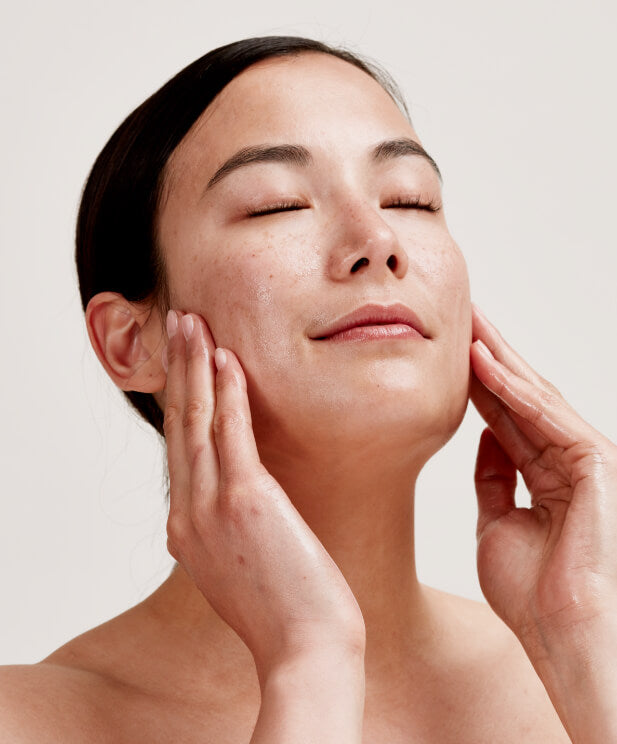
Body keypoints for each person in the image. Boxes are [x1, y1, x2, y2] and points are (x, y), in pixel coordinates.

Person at [1, 35, 615, 743]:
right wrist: (309, 660)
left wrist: (582, 635)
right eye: (277, 205)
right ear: (132, 344)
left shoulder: (584, 663)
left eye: (410, 199)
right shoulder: (28, 722)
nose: (377, 239)